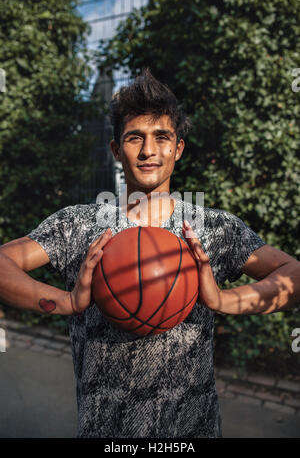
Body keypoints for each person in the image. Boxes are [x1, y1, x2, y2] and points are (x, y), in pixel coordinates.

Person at [0, 68, 299, 438]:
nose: (148, 150)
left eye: (161, 137)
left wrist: (223, 300)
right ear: (115, 149)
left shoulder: (213, 229)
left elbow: (293, 276)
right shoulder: (77, 225)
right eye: (134, 138)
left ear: (178, 148)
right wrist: (67, 302)